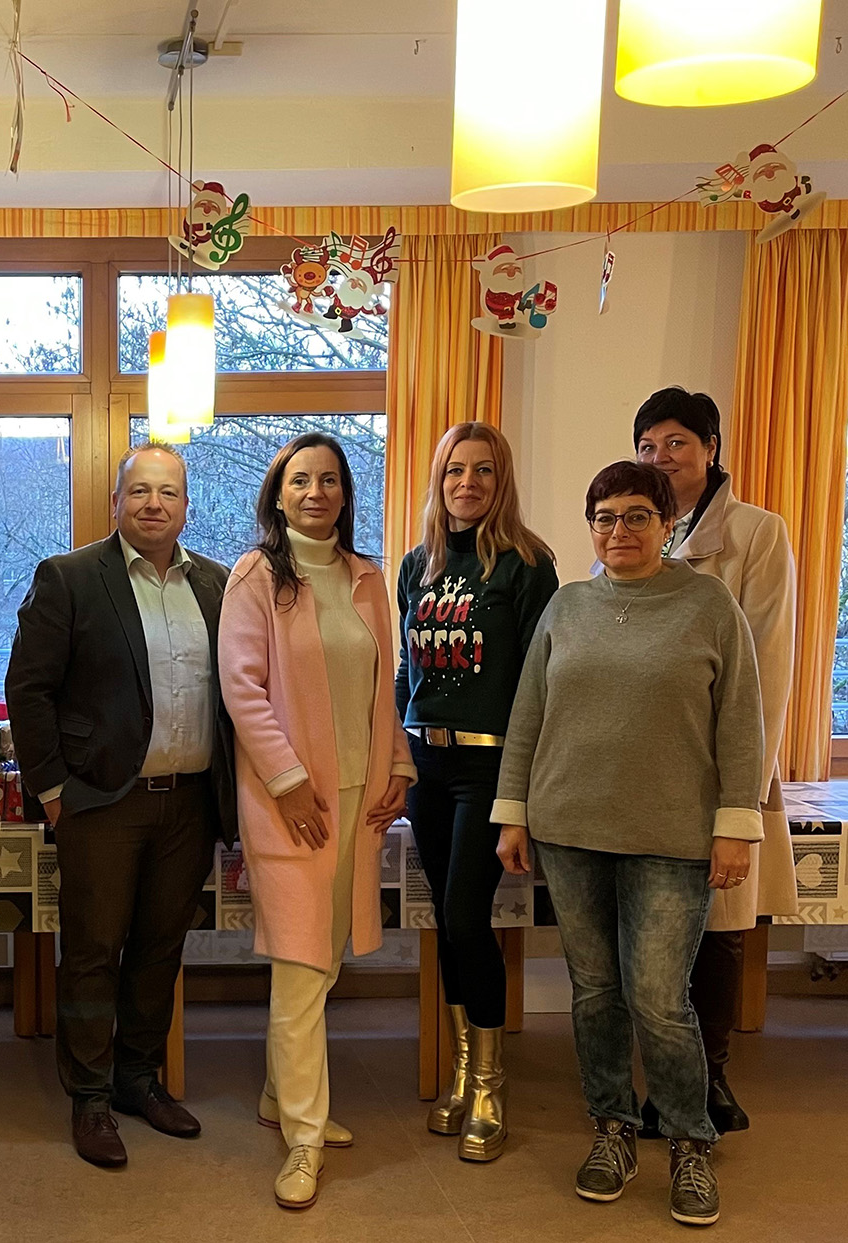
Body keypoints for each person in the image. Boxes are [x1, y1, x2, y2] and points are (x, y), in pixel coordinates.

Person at [494, 460, 764, 1229]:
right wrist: (514, 813)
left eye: (637, 515)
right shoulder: (567, 607)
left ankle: (686, 1138)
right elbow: (528, 715)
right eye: (605, 517)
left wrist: (734, 825)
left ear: (668, 523)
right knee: (594, 991)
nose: (620, 530)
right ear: (591, 527)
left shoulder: (709, 604)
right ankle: (610, 1128)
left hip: (673, 836)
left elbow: (741, 724)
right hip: (569, 830)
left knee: (657, 997)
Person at [5, 444, 237, 1169]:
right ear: (115, 501)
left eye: (168, 492)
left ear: (186, 505)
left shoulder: (220, 587)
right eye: (139, 490)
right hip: (101, 804)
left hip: (190, 803)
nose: (153, 504)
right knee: (94, 953)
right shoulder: (70, 578)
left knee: (160, 949)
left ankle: (140, 1080)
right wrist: (52, 793)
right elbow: (28, 689)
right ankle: (92, 1097)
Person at [218, 433, 415, 1210]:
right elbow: (243, 688)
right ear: (278, 493)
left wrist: (398, 766)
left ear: (345, 493)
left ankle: (277, 1093)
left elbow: (383, 686)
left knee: (327, 958)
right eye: (301, 479)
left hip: (360, 802)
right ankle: (303, 1134)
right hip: (290, 805)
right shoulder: (257, 576)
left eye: (329, 479)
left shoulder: (367, 579)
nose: (316, 491)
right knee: (300, 970)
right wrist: (289, 781)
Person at [633, 385, 796, 1135]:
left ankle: (713, 1076)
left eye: (676, 443)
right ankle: (668, 1079)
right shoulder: (637, 531)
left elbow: (769, 666)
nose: (661, 458)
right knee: (657, 929)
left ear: (710, 450)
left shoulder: (759, 534)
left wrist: (745, 791)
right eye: (648, 445)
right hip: (649, 768)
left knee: (722, 925)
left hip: (722, 764)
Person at [394, 422, 558, 1161]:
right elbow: (405, 673)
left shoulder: (527, 564)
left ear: (502, 480)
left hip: (489, 770)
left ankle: (491, 1084)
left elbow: (536, 686)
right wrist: (398, 755)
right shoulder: (415, 566)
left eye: (483, 471)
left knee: (465, 915)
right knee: (450, 922)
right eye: (455, 470)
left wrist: (519, 796)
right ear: (438, 478)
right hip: (427, 765)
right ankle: (461, 1070)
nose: (467, 483)